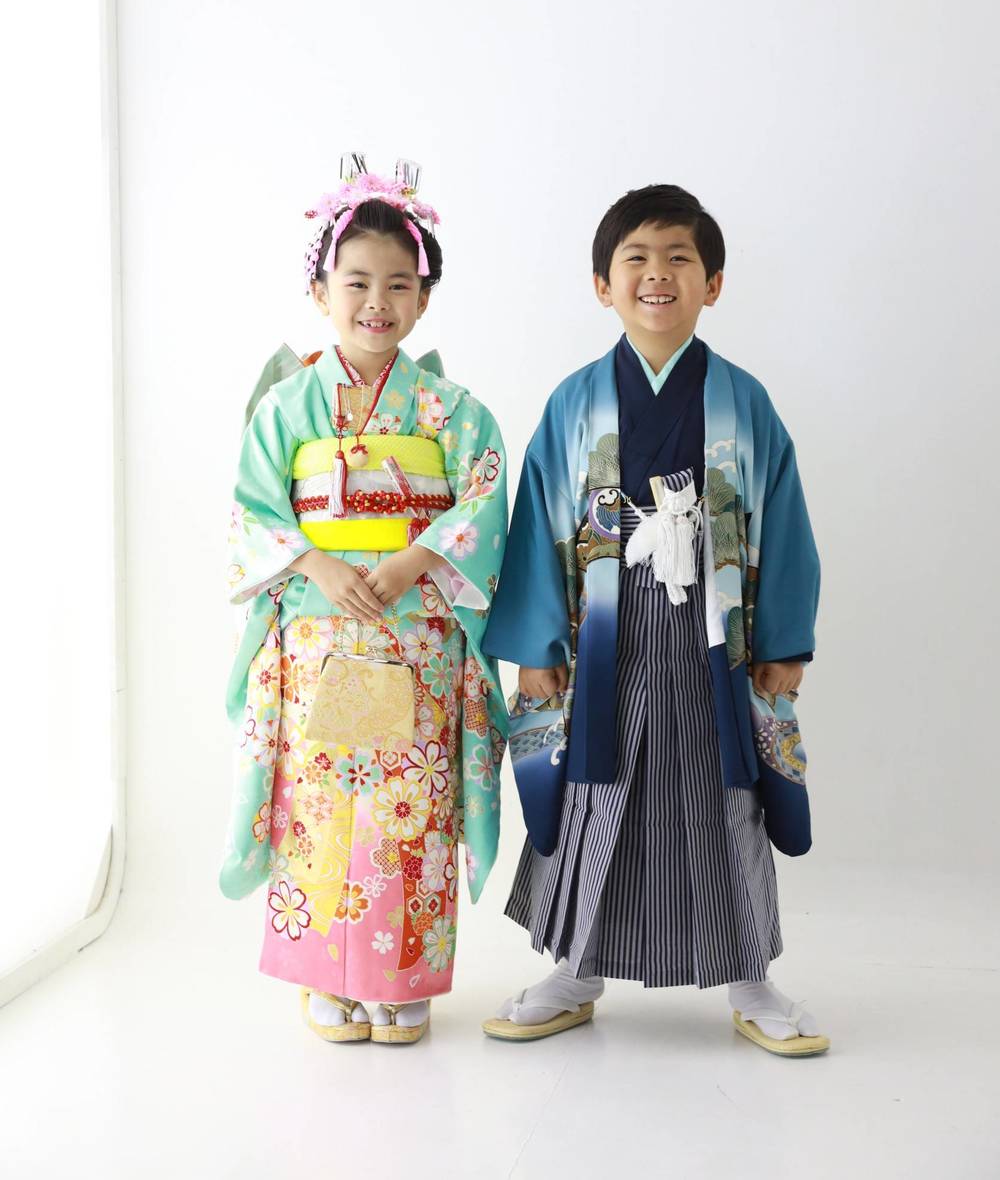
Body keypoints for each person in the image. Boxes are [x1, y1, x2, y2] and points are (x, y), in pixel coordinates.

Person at [482, 183, 829, 1057]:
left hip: (717, 630)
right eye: (635, 258)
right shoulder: (575, 401)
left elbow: (784, 518)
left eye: (680, 257)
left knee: (726, 789)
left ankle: (750, 978)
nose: (657, 274)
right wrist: (537, 645)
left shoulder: (743, 401)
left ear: (714, 282)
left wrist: (784, 639)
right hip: (603, 627)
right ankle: (574, 969)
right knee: (592, 786)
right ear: (603, 285)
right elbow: (537, 521)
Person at [222, 157, 507, 1045]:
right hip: (318, 633)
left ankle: (401, 975)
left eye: (398, 284)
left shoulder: (455, 412)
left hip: (417, 635)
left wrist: (418, 558)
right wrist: (315, 561)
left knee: (407, 806)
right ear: (320, 291)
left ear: (422, 300)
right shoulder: (287, 405)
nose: (376, 301)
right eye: (356, 282)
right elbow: (252, 507)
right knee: (318, 800)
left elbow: (483, 500)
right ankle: (325, 978)